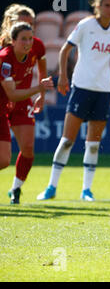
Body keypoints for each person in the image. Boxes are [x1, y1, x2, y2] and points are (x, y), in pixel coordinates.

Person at [37, 0, 110, 202]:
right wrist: (63, 77)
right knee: (67, 140)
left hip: (103, 91)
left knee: (93, 144)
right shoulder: (85, 25)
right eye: (107, 5)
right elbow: (64, 50)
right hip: (81, 87)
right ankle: (51, 186)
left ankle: (86, 190)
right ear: (97, 5)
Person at [0, 22, 54, 204]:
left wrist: (41, 94)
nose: (28, 42)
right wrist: (39, 88)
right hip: (4, 104)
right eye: (23, 39)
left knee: (15, 155)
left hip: (21, 104)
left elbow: (42, 67)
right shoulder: (5, 58)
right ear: (13, 40)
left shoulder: (36, 47)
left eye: (30, 38)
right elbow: (12, 94)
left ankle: (15, 189)